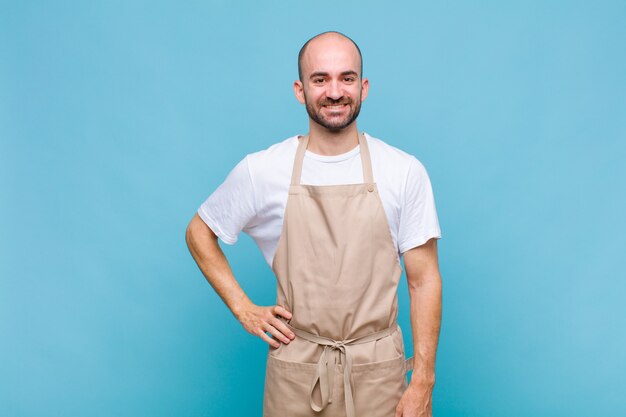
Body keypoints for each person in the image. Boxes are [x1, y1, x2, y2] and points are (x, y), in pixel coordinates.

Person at [186, 31, 442, 417]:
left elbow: (423, 280)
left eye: (347, 78)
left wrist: (423, 381)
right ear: (299, 90)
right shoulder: (264, 170)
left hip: (378, 375)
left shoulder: (404, 172)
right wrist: (243, 308)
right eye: (320, 79)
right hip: (297, 374)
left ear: (364, 87)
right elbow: (199, 233)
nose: (335, 91)